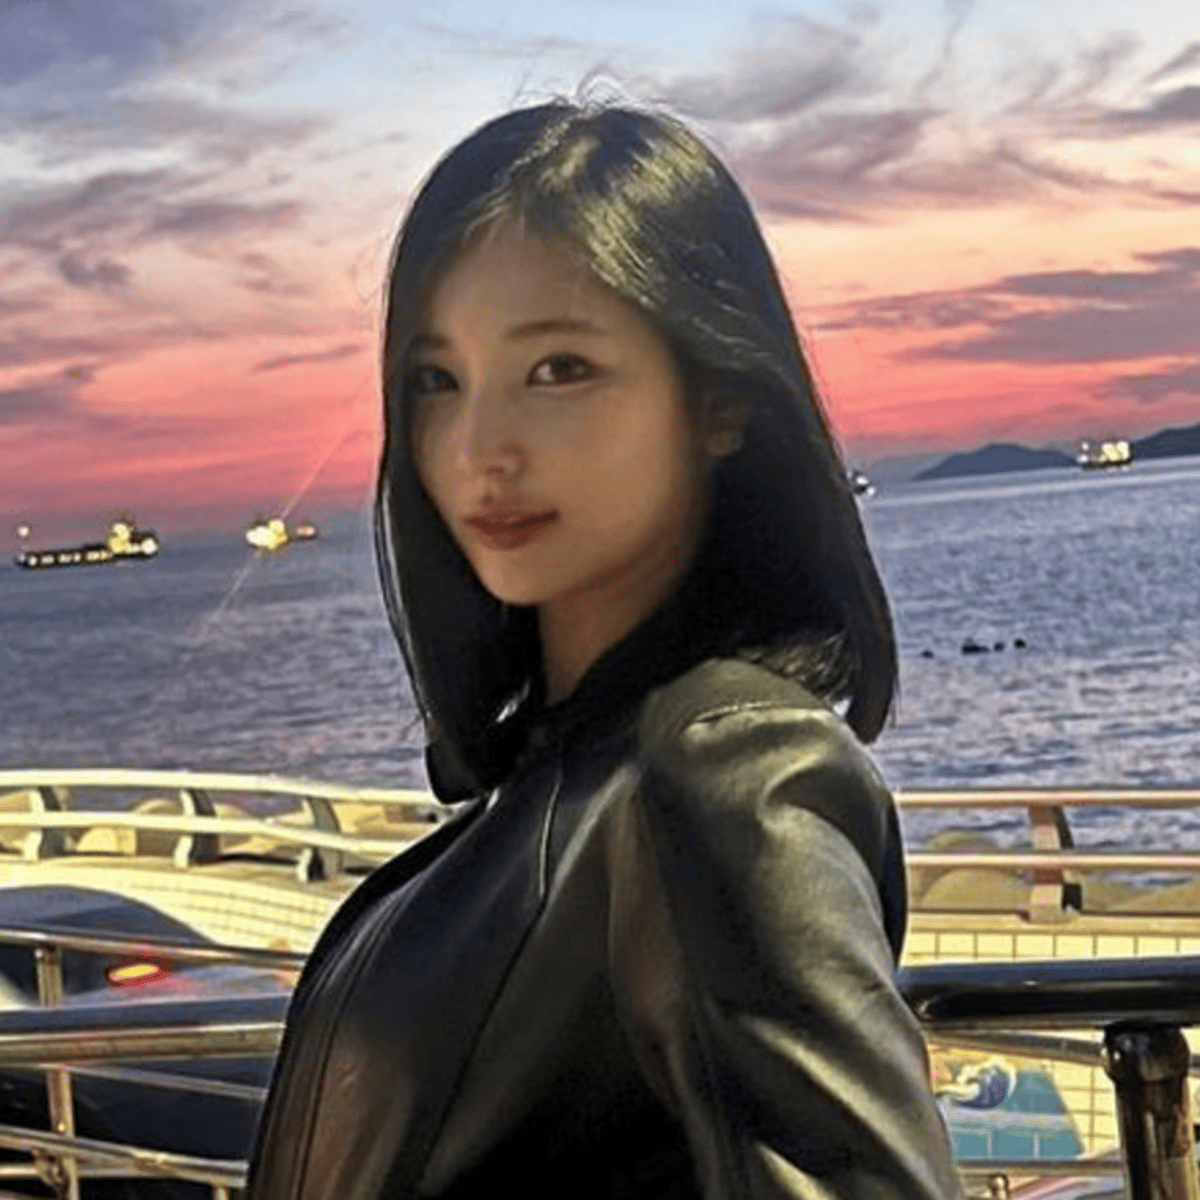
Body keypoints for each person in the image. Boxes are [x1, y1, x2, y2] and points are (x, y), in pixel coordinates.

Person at [247, 101, 964, 1200]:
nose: (479, 448)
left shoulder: (723, 773)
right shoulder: (564, 779)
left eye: (559, 369)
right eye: (437, 380)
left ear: (719, 399)